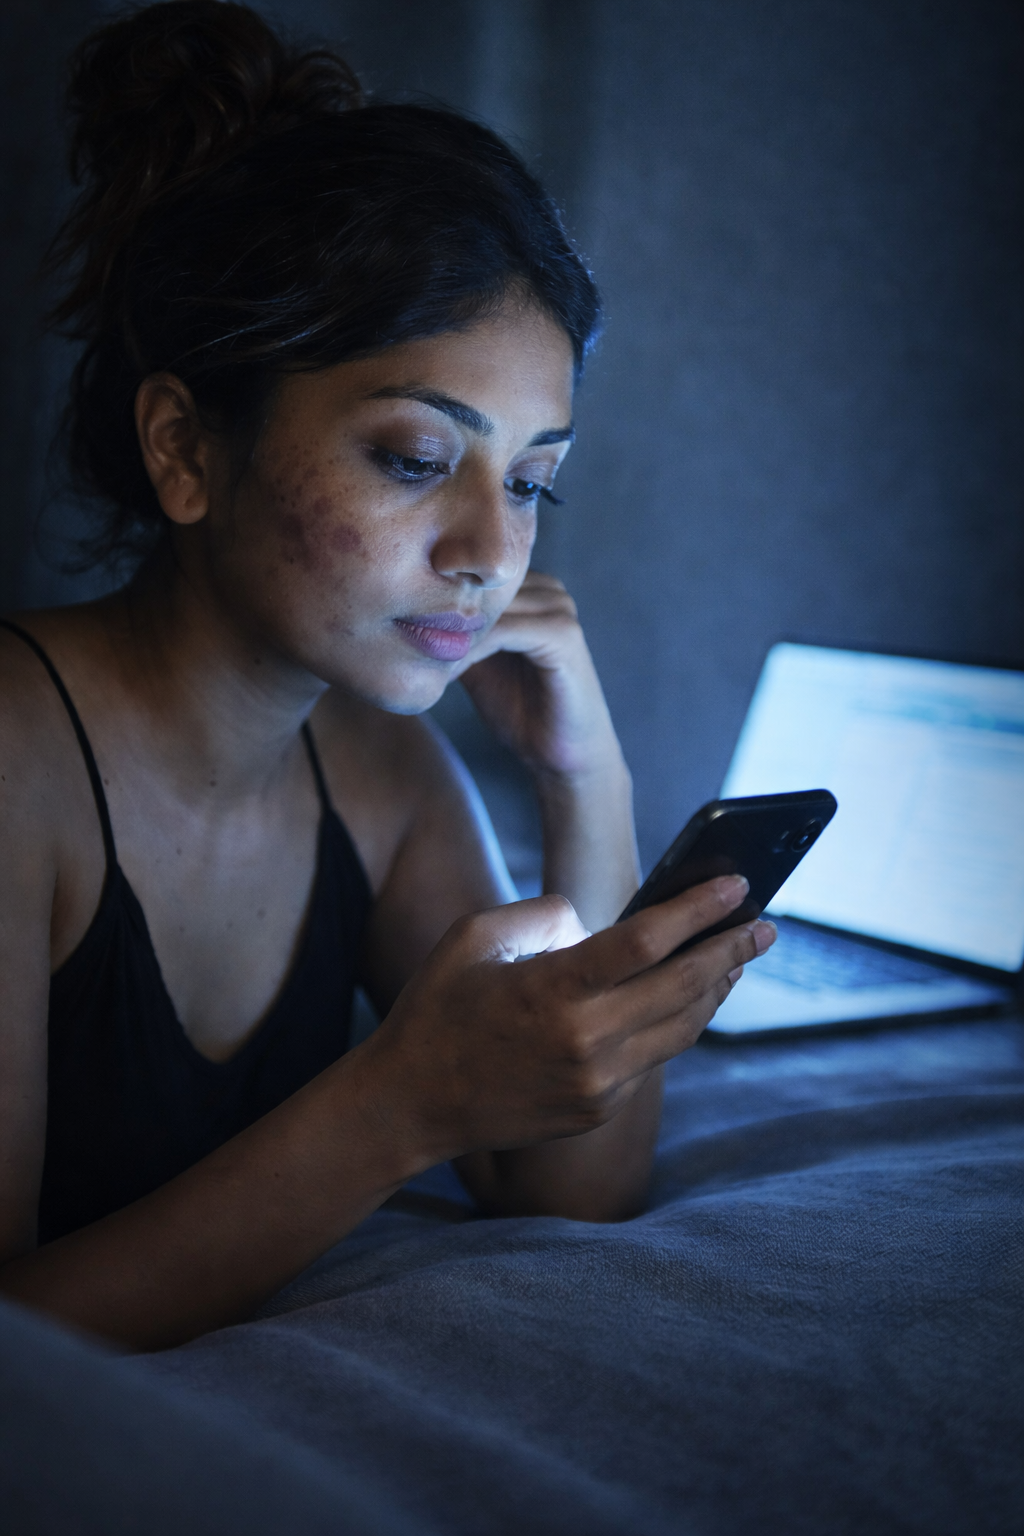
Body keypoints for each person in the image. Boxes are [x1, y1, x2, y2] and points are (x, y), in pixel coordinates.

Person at [0, 1, 775, 1352]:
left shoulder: (380, 777)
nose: (492, 553)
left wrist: (583, 775)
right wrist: (397, 1107)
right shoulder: (18, 764)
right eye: (417, 460)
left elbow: (575, 1187)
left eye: (531, 482)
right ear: (184, 449)